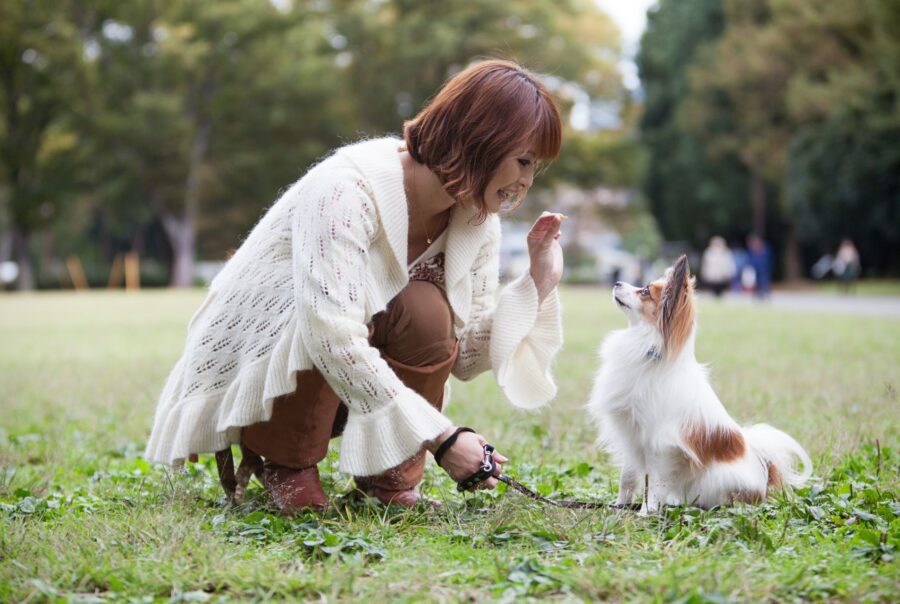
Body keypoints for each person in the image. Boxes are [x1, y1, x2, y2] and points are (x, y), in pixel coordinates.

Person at [144, 60, 567, 513]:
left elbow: (460, 356)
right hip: (269, 361)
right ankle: (286, 462)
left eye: (534, 166)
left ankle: (391, 474)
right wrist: (443, 438)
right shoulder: (346, 189)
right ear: (481, 142)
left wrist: (537, 284)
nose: (526, 180)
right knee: (328, 313)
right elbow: (329, 333)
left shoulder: (476, 221)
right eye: (522, 160)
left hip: (343, 368)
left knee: (426, 310)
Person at [746, 233, 772, 299]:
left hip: (763, 269)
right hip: (756, 269)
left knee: (764, 282)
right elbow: (750, 260)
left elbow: (768, 259)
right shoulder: (752, 249)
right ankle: (759, 294)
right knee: (757, 283)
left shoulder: (765, 248)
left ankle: (765, 294)